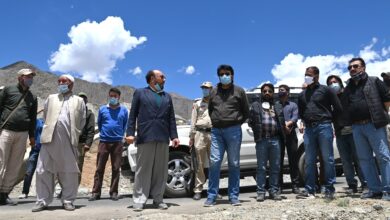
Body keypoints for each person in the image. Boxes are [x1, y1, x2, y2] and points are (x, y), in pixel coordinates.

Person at [126, 70, 180, 211]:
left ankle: (158, 198)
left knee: (160, 170)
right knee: (143, 170)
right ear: (152, 79)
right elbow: (132, 115)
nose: (165, 79)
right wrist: (130, 133)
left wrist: (174, 136)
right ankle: (139, 199)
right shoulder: (140, 93)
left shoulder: (167, 97)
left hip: (162, 137)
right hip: (146, 136)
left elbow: (171, 119)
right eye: (162, 76)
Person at [32, 74, 86, 212]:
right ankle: (42, 200)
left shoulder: (79, 101)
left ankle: (68, 200)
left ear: (71, 84)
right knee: (43, 170)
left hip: (68, 141)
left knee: (69, 171)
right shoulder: (51, 98)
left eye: (65, 81)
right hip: (49, 140)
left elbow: (82, 120)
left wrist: (74, 132)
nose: (61, 83)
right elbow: (45, 117)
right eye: (59, 81)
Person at [344, 57, 390, 201]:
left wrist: (380, 115)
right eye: (350, 67)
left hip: (374, 125)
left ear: (363, 67)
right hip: (357, 127)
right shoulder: (349, 87)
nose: (352, 69)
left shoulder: (374, 80)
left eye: (355, 66)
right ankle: (374, 189)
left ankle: (388, 190)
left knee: (383, 157)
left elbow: (387, 100)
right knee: (364, 159)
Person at [204, 64, 250, 207]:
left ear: (232, 75)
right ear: (218, 76)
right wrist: (217, 121)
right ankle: (212, 195)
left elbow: (245, 111)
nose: (224, 76)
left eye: (227, 73)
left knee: (234, 163)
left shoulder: (239, 91)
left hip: (234, 131)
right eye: (222, 74)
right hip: (217, 131)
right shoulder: (213, 92)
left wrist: (235, 122)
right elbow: (211, 110)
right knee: (214, 162)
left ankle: (233, 196)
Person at [296, 66, 342, 200]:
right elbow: (301, 112)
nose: (306, 77)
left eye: (309, 75)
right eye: (305, 74)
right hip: (309, 130)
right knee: (309, 160)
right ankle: (310, 190)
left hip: (324, 127)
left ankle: (329, 189)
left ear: (316, 76)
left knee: (328, 159)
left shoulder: (326, 90)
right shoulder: (302, 94)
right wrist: (304, 122)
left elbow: (338, 108)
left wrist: (328, 120)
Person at [0, 68, 37, 206]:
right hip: (6, 131)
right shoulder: (8, 90)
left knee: (14, 165)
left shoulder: (33, 97)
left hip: (22, 135)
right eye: (27, 76)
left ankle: (4, 194)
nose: (30, 79)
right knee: (1, 162)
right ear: (20, 77)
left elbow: (33, 118)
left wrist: (32, 136)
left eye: (31, 77)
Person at [326, 75, 366, 193]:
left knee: (359, 159)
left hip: (353, 130)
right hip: (340, 134)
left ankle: (365, 184)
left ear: (340, 83)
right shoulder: (330, 99)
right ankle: (352, 185)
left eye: (335, 82)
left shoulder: (348, 93)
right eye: (330, 83)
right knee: (345, 161)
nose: (333, 84)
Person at [89, 88, 128, 201]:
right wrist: (105, 134)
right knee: (99, 168)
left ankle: (113, 192)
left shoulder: (124, 110)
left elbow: (124, 124)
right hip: (104, 142)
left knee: (116, 168)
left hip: (117, 143)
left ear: (118, 97)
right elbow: (100, 124)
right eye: (111, 95)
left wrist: (119, 135)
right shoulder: (102, 109)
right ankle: (96, 193)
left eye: (115, 96)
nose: (113, 98)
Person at [248, 83, 285, 201]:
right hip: (262, 140)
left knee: (275, 167)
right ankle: (260, 192)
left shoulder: (277, 105)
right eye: (264, 91)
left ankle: (274, 191)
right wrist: (257, 131)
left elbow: (281, 120)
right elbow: (250, 121)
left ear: (273, 93)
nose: (267, 93)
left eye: (269, 91)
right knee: (261, 167)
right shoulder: (255, 105)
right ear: (261, 93)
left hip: (275, 139)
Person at [189, 82, 213, 200]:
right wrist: (191, 137)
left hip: (213, 134)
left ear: (211, 89)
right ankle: (198, 189)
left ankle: (214, 190)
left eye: (207, 88)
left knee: (215, 163)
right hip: (200, 133)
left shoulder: (216, 103)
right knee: (199, 163)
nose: (205, 90)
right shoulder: (197, 103)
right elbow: (193, 121)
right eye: (203, 88)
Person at [277, 84, 301, 194]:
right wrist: (283, 126)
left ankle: (295, 185)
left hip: (291, 134)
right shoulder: (275, 105)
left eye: (282, 90)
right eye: (279, 90)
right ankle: (279, 186)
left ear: (287, 92)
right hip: (279, 135)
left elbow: (295, 117)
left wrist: (288, 124)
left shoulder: (293, 105)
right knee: (278, 162)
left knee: (293, 161)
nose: (280, 92)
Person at [19, 116, 44, 199]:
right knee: (29, 171)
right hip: (35, 150)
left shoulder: (51, 123)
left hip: (46, 151)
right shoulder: (37, 121)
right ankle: (25, 192)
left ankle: (42, 193)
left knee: (44, 172)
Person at [77, 92, 95, 186]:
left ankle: (73, 189)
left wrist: (88, 143)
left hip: (81, 144)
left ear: (86, 101)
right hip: (70, 143)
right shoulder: (73, 112)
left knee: (78, 166)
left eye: (83, 99)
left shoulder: (89, 114)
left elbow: (91, 130)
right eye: (80, 99)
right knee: (67, 166)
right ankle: (65, 188)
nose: (82, 101)